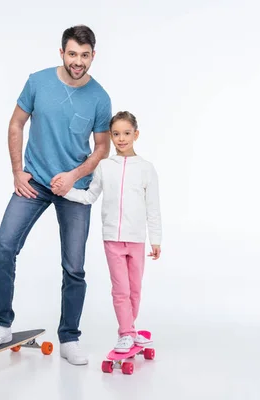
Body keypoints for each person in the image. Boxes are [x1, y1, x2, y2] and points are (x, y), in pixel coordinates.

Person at [0, 25, 112, 366]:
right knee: (3, 245)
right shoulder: (37, 82)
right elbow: (16, 124)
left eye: (84, 55)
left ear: (93, 56)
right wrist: (17, 170)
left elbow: (101, 149)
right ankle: (1, 323)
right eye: (72, 54)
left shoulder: (99, 97)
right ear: (61, 52)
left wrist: (73, 177)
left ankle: (69, 337)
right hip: (34, 181)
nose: (77, 61)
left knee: (74, 267)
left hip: (74, 189)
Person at [52, 111, 162, 353]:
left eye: (126, 133)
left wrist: (156, 239)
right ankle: (125, 333)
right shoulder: (104, 166)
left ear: (136, 134)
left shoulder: (146, 168)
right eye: (116, 134)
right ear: (110, 136)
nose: (121, 139)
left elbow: (153, 207)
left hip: (136, 240)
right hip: (112, 238)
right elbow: (90, 196)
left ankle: (131, 330)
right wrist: (66, 190)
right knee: (120, 289)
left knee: (135, 289)